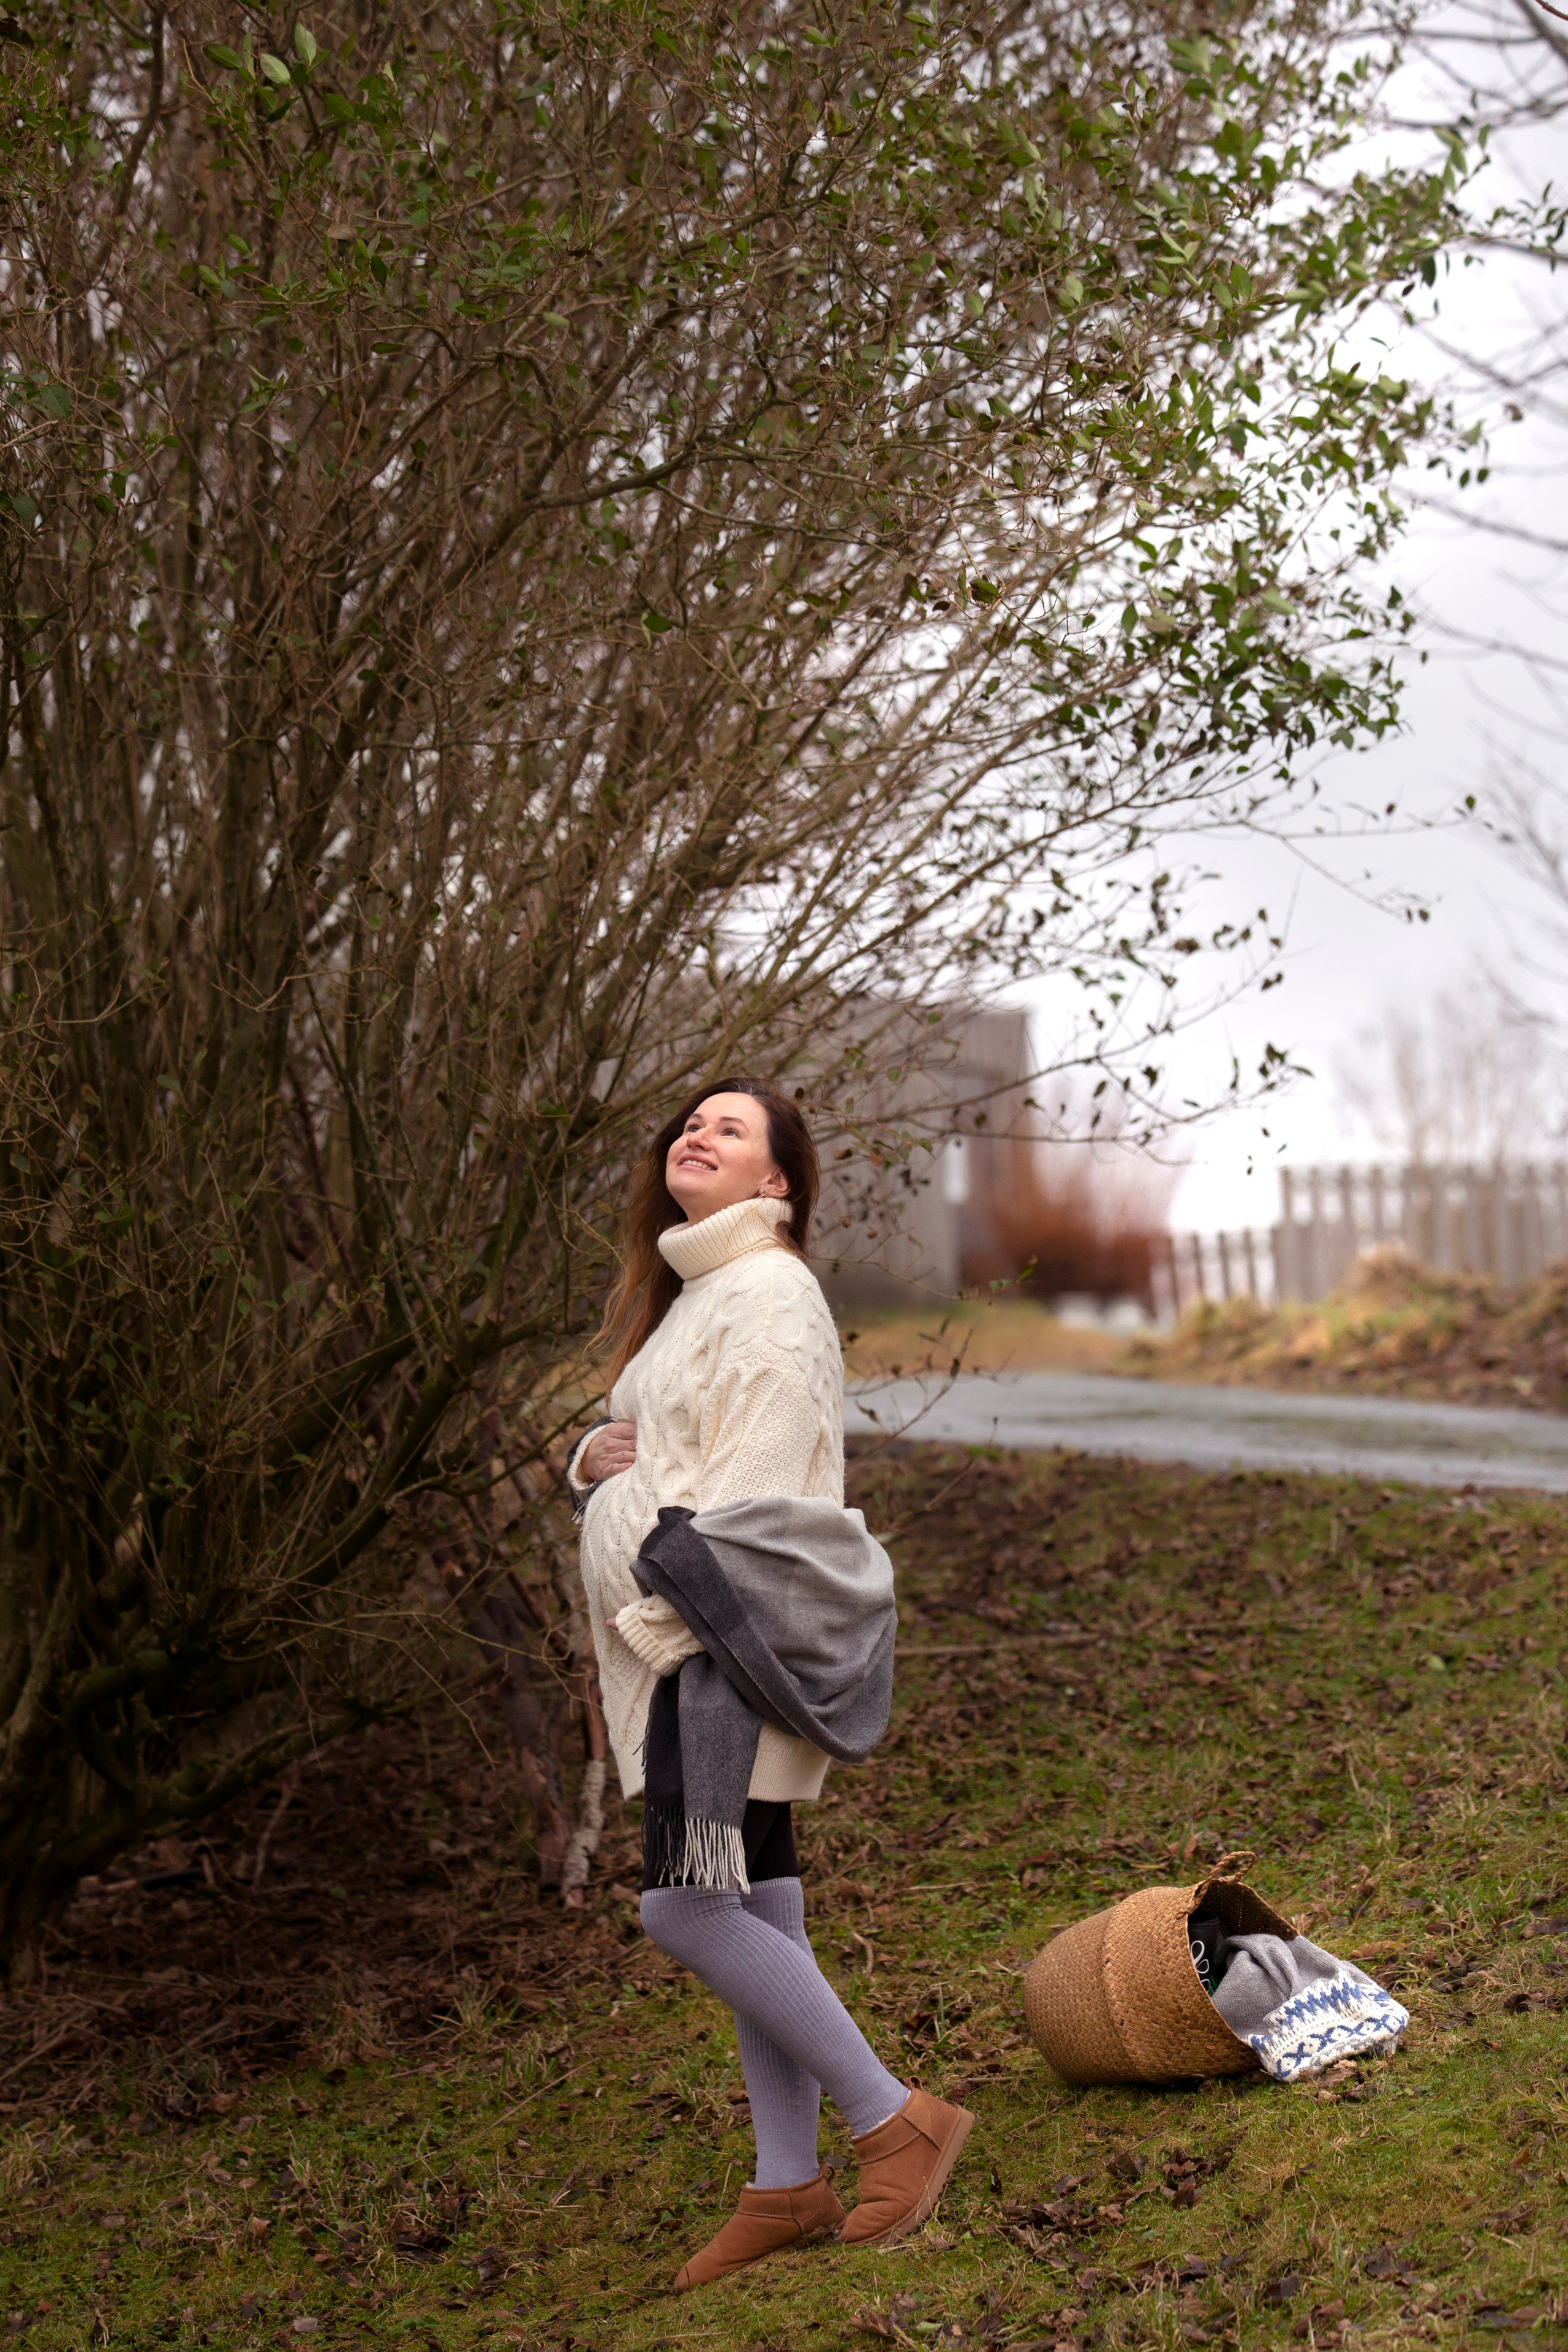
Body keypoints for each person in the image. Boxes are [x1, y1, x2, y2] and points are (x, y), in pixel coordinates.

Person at [567, 1081, 971, 2286]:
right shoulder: (698, 1297)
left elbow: (748, 1481)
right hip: (690, 1647)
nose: (695, 1133)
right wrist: (585, 1455)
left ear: (775, 1184)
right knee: (761, 1896)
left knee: (685, 1905)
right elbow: (647, 1441)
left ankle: (895, 2119)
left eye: (728, 1129)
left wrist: (661, 1619)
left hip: (708, 1645)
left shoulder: (770, 1294)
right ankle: (784, 2184)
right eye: (687, 1123)